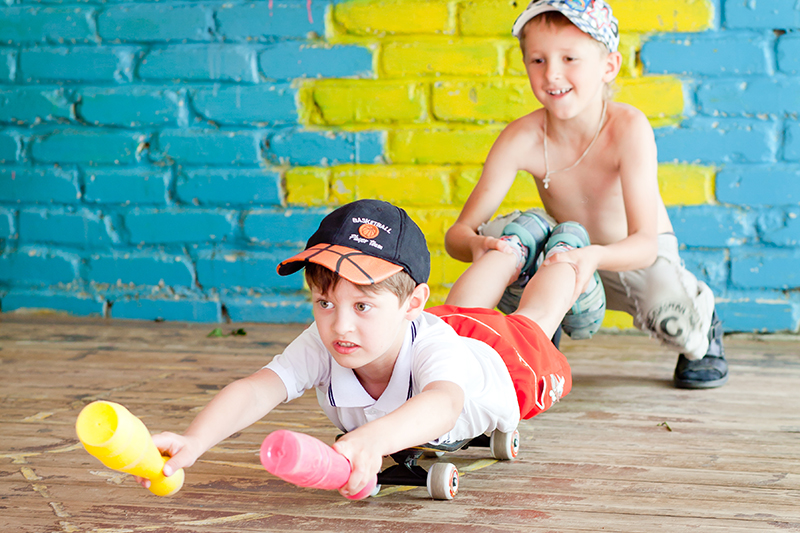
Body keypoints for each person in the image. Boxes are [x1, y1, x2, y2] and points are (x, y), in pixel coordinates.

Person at [137, 199, 582, 498]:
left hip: (499, 363)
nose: (340, 325)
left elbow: (444, 405)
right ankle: (510, 248)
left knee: (535, 320)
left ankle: (564, 251)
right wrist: (196, 439)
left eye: (361, 304)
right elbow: (257, 389)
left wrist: (371, 439)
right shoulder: (339, 335)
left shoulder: (431, 345)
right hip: (418, 328)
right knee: (465, 306)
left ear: (412, 303)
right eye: (324, 302)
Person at [444, 0, 727, 389]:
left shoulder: (627, 127)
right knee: (511, 235)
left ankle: (702, 323)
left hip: (631, 257)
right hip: (565, 255)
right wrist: (479, 246)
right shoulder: (521, 137)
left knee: (674, 320)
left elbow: (645, 244)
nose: (552, 73)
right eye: (538, 60)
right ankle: (532, 330)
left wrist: (593, 256)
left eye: (569, 58)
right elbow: (458, 234)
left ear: (608, 66)